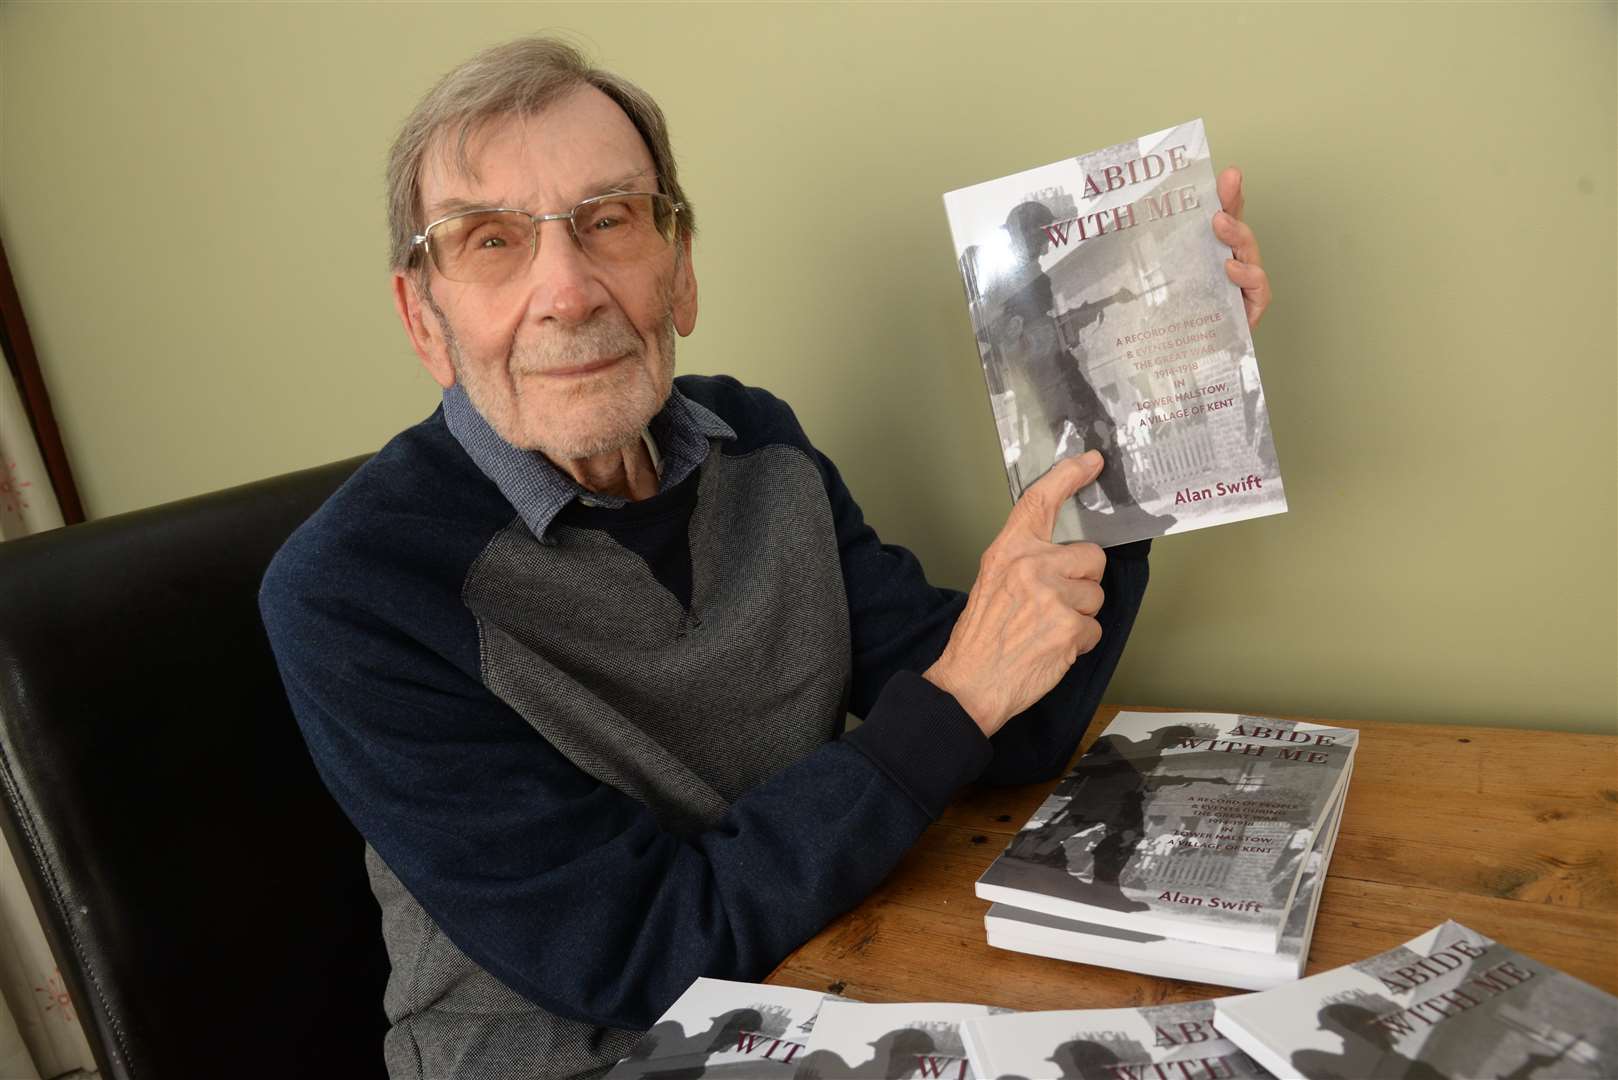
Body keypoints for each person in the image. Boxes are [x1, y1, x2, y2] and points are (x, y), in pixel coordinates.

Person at [258, 37, 1271, 1080]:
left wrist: (1147, 409)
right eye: (489, 242)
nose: (567, 292)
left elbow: (1001, 728)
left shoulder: (761, 444)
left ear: (681, 269)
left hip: (824, 988)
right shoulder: (351, 591)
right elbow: (637, 947)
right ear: (424, 320)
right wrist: (957, 698)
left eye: (608, 220)